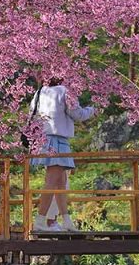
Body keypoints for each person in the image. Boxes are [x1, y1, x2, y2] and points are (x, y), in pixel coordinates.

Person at [30, 78, 95, 232]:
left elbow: (31, 114)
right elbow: (77, 114)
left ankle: (66, 220)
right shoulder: (65, 91)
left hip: (43, 139)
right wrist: (92, 110)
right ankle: (40, 220)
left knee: (60, 182)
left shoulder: (39, 92)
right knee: (52, 182)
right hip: (58, 140)